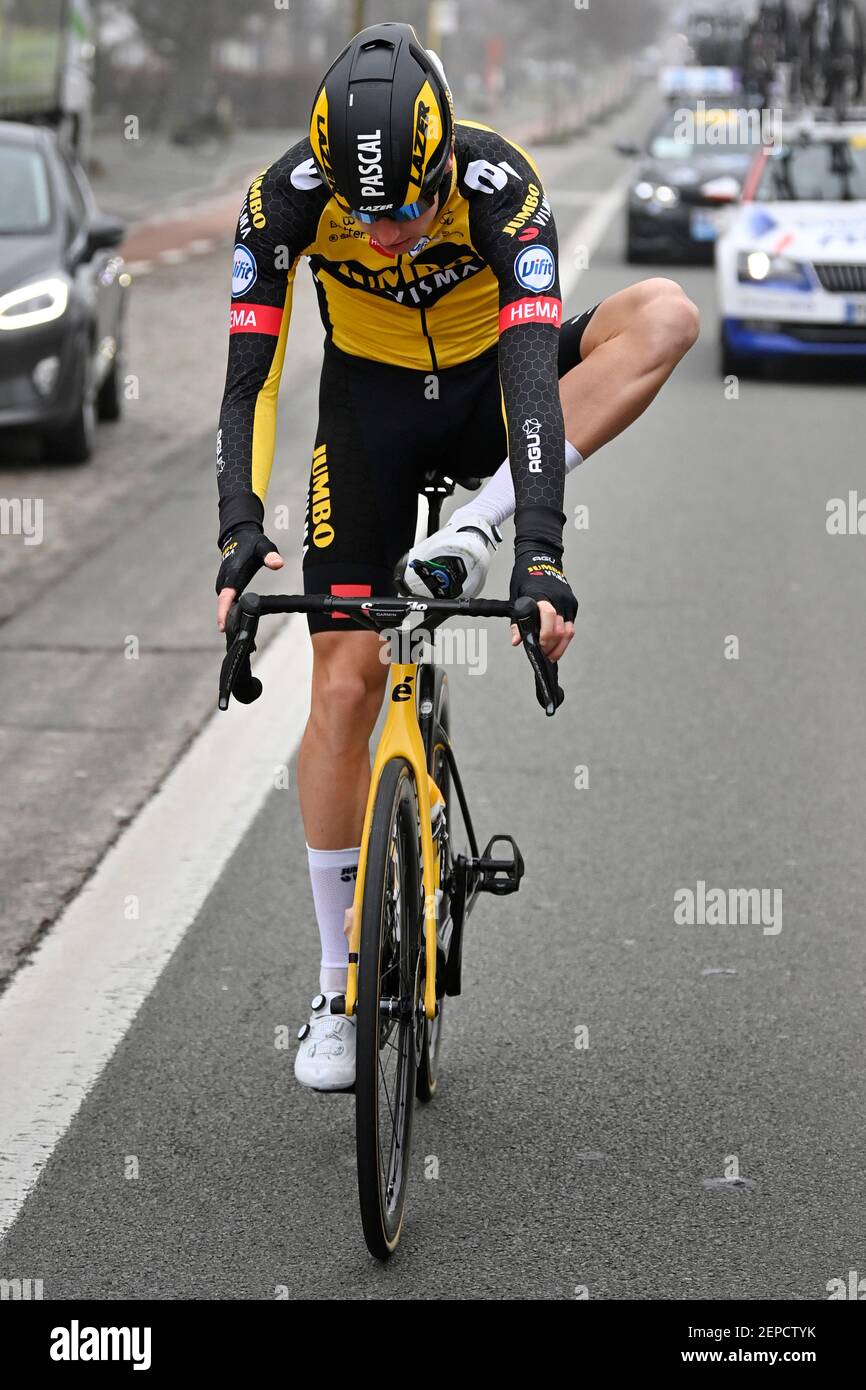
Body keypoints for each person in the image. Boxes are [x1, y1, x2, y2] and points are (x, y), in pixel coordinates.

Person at [214, 23, 699, 1090]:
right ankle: (338, 981)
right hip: (369, 413)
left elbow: (533, 371)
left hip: (493, 396)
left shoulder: (500, 186)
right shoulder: (284, 197)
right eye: (364, 218)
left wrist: (531, 550)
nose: (385, 238)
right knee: (341, 682)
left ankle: (464, 531)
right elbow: (251, 373)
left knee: (665, 314)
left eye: (409, 211)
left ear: (441, 166)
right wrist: (237, 531)